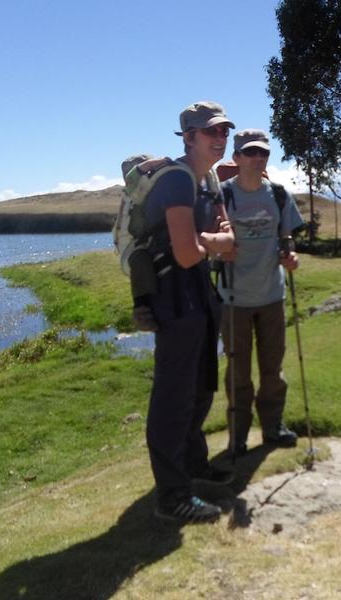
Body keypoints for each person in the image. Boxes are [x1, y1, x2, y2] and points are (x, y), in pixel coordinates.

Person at [144, 101, 237, 524]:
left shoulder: (209, 180)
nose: (220, 138)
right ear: (188, 136)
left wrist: (210, 242)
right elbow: (184, 255)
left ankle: (193, 465)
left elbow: (228, 239)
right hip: (175, 295)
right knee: (173, 396)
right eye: (210, 132)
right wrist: (211, 243)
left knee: (201, 386)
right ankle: (173, 496)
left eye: (223, 131)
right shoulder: (178, 181)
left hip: (199, 292)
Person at [218, 129, 305, 456]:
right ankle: (238, 438)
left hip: (272, 297)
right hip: (233, 299)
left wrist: (291, 257)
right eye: (250, 153)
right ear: (237, 157)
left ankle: (272, 428)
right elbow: (208, 241)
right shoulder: (221, 196)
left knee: (273, 370)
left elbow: (286, 240)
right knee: (238, 373)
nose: (257, 159)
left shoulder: (280, 195)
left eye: (263, 153)